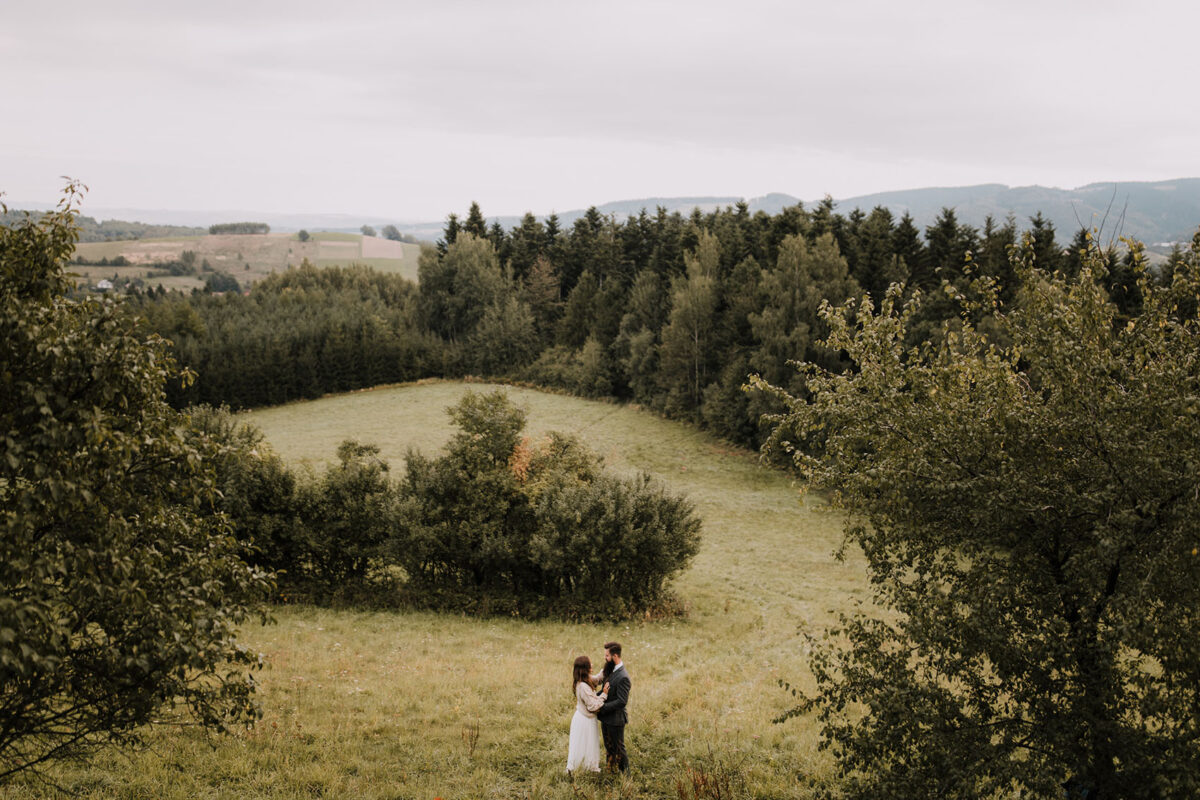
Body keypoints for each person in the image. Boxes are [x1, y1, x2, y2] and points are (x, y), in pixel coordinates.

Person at [566, 655, 607, 774]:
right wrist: (604, 695)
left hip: (585, 718)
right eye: (590, 664)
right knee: (584, 743)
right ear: (585, 667)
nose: (592, 665)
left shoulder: (585, 679)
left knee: (587, 743)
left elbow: (597, 679)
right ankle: (583, 768)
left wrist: (607, 666)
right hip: (584, 720)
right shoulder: (583, 686)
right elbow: (593, 706)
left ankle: (587, 766)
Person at [596, 641, 630, 772]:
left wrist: (602, 707)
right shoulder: (610, 670)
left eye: (607, 656)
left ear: (615, 656)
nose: (605, 658)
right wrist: (595, 698)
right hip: (606, 718)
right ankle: (611, 770)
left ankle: (625, 774)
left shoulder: (623, 677)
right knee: (609, 746)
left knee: (619, 748)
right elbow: (605, 689)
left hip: (616, 719)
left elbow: (622, 701)